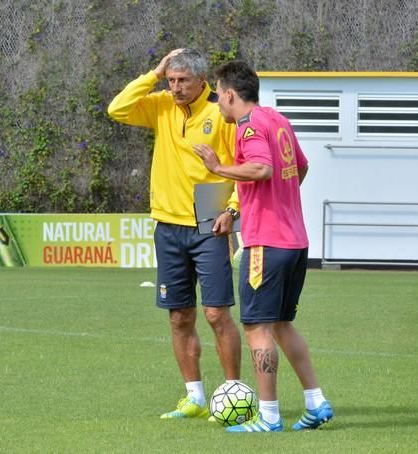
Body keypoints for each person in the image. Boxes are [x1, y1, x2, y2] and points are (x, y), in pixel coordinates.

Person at [193, 60, 334, 432]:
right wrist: (280, 201)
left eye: (218, 98)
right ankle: (316, 402)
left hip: (266, 245)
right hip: (295, 241)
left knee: (257, 327)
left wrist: (218, 168)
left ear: (230, 94)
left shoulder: (249, 126)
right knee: (283, 324)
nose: (218, 105)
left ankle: (269, 416)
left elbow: (261, 169)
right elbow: (300, 167)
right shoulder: (278, 120)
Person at [107, 48, 242, 420]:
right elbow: (116, 109)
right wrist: (153, 75)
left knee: (216, 313)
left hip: (209, 221)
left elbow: (240, 168)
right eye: (172, 81)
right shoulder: (161, 105)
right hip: (167, 226)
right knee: (179, 317)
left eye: (183, 81)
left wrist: (232, 211)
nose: (176, 88)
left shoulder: (221, 113)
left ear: (202, 81)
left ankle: (232, 395)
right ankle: (194, 397)